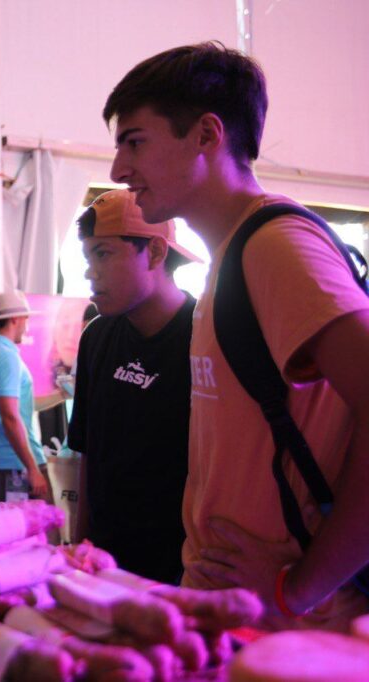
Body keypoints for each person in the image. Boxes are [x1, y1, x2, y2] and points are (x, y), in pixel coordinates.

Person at [104, 42, 369, 629]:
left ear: (205, 135)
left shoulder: (276, 246)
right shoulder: (230, 253)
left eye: (135, 141)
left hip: (286, 624)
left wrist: (297, 589)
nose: (119, 169)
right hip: (235, 613)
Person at [66, 189, 200, 584]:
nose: (91, 271)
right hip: (103, 564)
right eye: (88, 257)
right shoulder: (97, 336)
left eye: (103, 254)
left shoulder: (206, 337)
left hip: (178, 572)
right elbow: (87, 452)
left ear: (155, 254)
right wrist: (80, 546)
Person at [0, 291, 62, 502]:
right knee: (42, 532)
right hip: (15, 465)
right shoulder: (7, 357)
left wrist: (61, 394)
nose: (27, 326)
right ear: (15, 319)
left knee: (5, 533)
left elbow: (20, 407)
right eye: (26, 319)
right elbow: (10, 415)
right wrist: (32, 467)